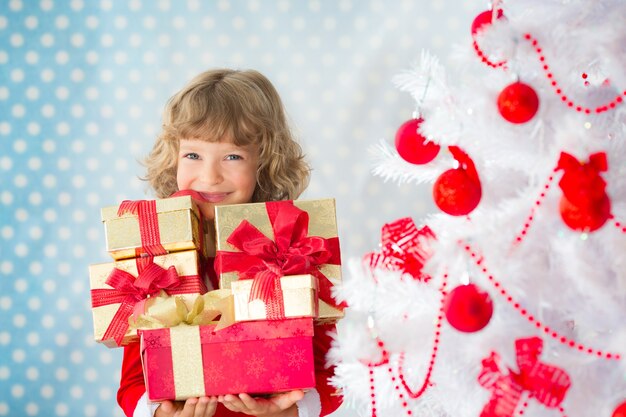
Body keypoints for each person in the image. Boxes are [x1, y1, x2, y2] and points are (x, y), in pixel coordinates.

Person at [117, 69, 342, 417]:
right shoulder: (155, 256)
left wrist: (291, 411)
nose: (210, 176)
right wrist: (160, 413)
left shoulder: (291, 248)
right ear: (173, 158)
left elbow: (334, 371)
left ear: (264, 163)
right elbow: (132, 382)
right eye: (193, 155)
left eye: (232, 156)